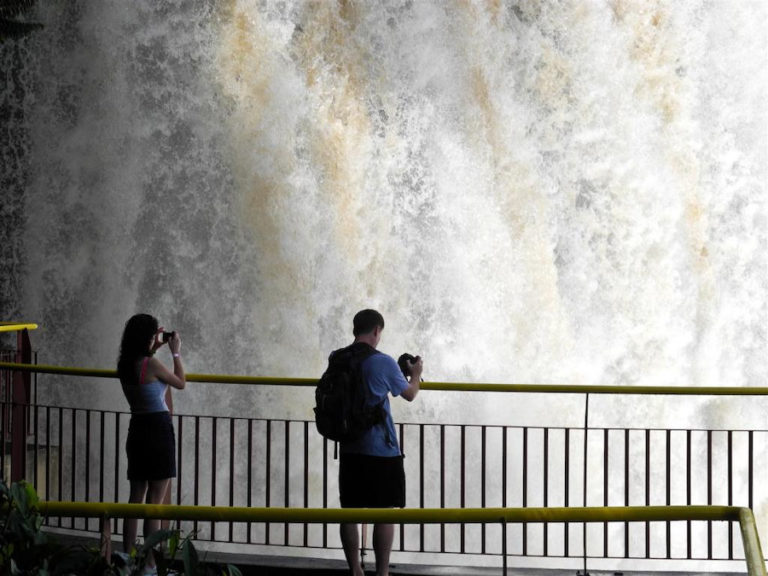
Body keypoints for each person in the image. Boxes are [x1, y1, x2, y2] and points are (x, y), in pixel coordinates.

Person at [336, 309, 422, 576]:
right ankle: (382, 572)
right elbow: (408, 394)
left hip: (349, 446)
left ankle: (355, 571)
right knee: (385, 511)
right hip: (381, 450)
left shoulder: (337, 358)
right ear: (376, 331)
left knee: (349, 511)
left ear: (355, 329)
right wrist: (416, 373)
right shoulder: (382, 362)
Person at [117, 314, 185, 573]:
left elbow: (142, 372)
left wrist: (154, 347)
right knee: (155, 502)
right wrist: (176, 353)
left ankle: (126, 558)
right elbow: (180, 383)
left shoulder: (125, 364)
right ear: (146, 337)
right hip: (158, 430)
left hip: (137, 429)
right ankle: (149, 565)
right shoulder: (152, 365)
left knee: (136, 497)